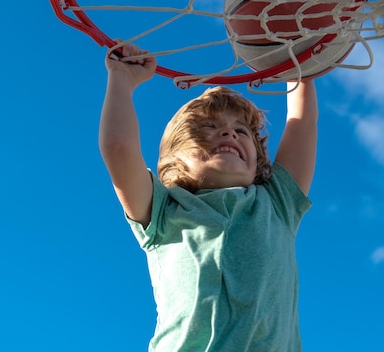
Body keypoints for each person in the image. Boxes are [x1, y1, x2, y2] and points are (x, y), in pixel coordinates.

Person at [99, 41, 318, 352]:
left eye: (241, 131)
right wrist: (121, 77)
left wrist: (301, 66)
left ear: (257, 160)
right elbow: (118, 149)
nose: (229, 133)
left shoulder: (277, 202)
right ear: (176, 156)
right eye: (209, 127)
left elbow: (302, 122)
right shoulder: (164, 210)